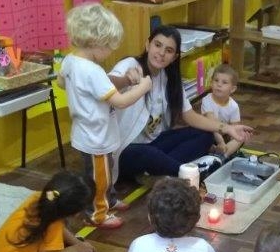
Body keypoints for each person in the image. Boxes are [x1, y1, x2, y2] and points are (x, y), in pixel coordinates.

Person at [108, 25, 254, 183]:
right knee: (149, 155)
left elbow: (190, 116)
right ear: (148, 45)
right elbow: (103, 83)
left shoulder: (169, 76)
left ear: (175, 57)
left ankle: (160, 172)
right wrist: (126, 80)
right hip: (125, 150)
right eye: (157, 45)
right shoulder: (131, 64)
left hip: (154, 143)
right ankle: (187, 174)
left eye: (169, 50)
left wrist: (228, 128)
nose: (161, 53)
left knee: (205, 134)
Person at [59, 3, 152, 229]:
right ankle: (97, 214)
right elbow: (120, 101)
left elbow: (62, 82)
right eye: (109, 46)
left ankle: (108, 199)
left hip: (88, 131)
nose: (111, 52)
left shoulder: (70, 61)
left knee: (105, 172)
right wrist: (143, 87)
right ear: (96, 42)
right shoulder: (93, 71)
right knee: (99, 178)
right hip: (95, 137)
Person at [200, 63, 244, 159]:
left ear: (232, 89)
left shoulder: (234, 106)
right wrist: (221, 142)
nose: (219, 84)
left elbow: (234, 128)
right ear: (211, 82)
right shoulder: (206, 100)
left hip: (224, 137)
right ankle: (218, 151)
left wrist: (233, 139)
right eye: (216, 80)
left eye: (224, 82)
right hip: (209, 134)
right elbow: (212, 124)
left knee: (241, 135)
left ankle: (223, 155)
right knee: (202, 139)